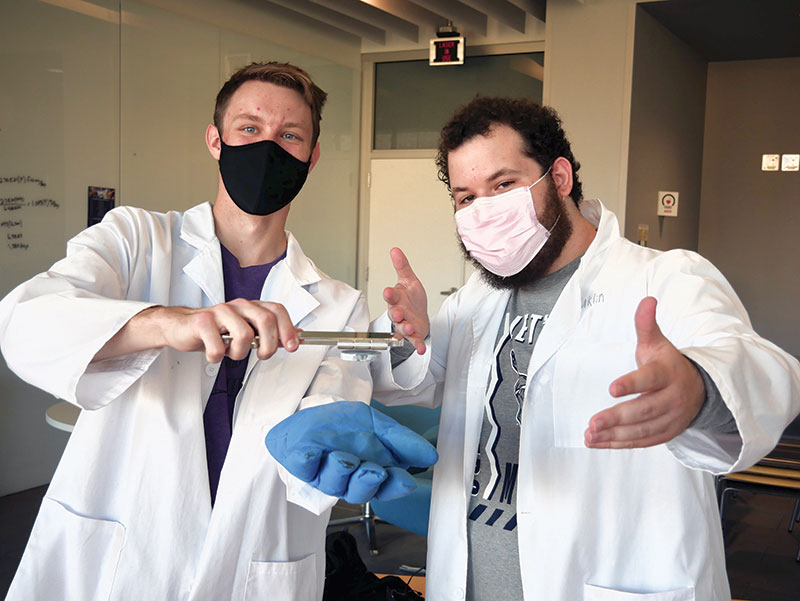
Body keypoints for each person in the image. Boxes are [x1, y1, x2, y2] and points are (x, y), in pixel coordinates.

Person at [273, 96, 800, 600]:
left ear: (561, 178)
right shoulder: (478, 298)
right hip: (471, 577)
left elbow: (761, 369)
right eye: (466, 197)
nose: (484, 210)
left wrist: (697, 388)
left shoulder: (665, 278)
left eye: (504, 184)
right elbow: (421, 380)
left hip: (606, 580)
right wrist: (412, 336)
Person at [0, 61, 434, 601]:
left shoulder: (336, 303)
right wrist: (164, 322)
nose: (268, 147)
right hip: (117, 554)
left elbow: (323, 425)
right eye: (249, 129)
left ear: (311, 156)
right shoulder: (135, 240)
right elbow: (26, 320)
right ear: (216, 139)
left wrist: (325, 447)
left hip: (257, 562)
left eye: (290, 135)